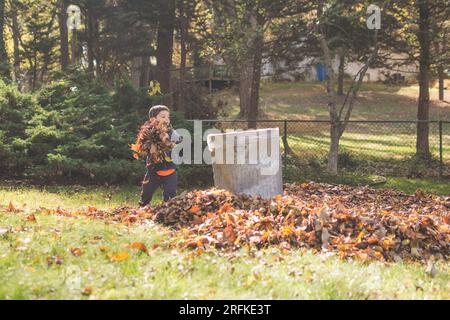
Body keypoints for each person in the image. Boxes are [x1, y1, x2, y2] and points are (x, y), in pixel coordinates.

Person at [138, 105, 182, 207]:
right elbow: (143, 147)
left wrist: (172, 140)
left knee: (170, 193)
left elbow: (178, 138)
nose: (166, 119)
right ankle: (143, 206)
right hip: (154, 170)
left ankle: (168, 208)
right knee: (147, 190)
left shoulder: (170, 131)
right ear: (153, 119)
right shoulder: (148, 133)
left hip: (170, 169)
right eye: (163, 117)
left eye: (168, 117)